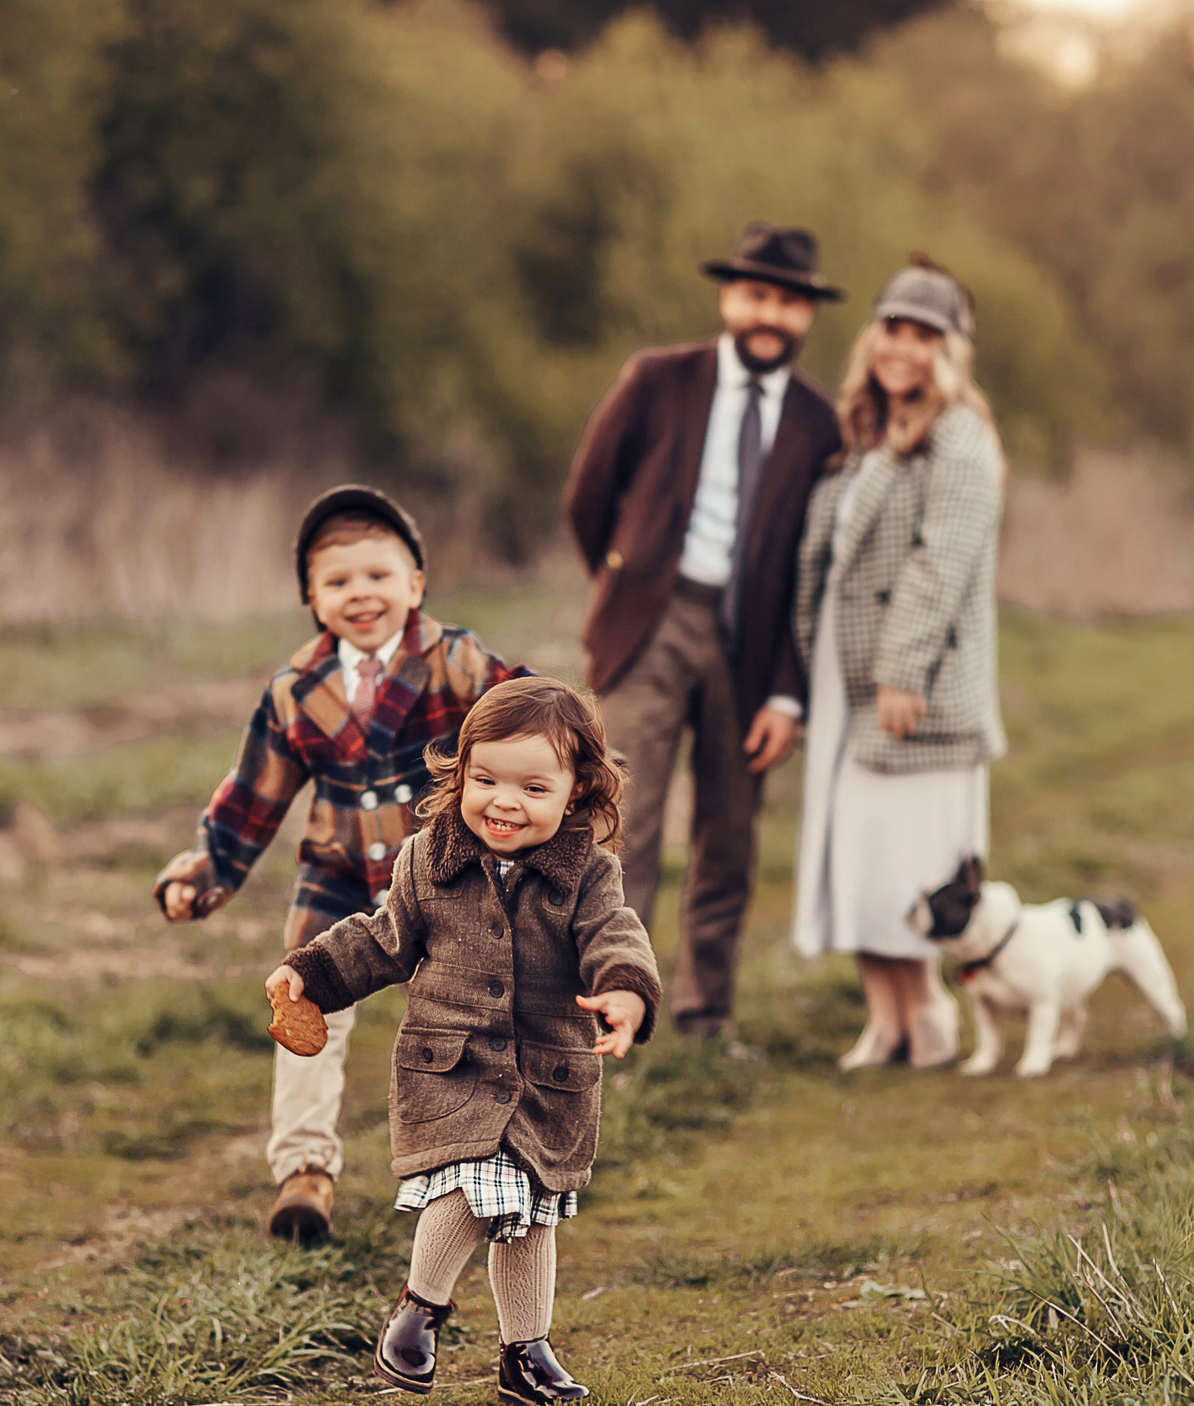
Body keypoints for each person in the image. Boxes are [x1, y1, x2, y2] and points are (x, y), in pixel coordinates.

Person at [266, 678, 660, 1406]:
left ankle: (524, 1352)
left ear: (575, 794)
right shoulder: (427, 859)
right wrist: (309, 973)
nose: (504, 802)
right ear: (460, 774)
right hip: (451, 1066)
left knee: (530, 1214)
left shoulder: (589, 875)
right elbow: (381, 943)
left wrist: (625, 989)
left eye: (533, 787)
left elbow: (614, 935)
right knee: (474, 1187)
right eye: (485, 780)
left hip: (547, 1074)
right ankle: (420, 1308)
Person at [154, 485, 525, 1244]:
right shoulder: (296, 693)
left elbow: (523, 720)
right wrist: (207, 872)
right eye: (338, 582)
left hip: (443, 879)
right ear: (313, 600)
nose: (362, 594)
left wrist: (572, 767)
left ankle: (485, 1165)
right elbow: (254, 797)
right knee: (304, 1004)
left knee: (471, 1019)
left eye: (379, 576)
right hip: (336, 875)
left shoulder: (453, 662)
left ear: (415, 584)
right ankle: (305, 1172)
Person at [561, 221, 845, 1043]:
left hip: (753, 650)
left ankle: (704, 1012)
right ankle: (613, 1008)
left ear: (807, 317)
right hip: (651, 623)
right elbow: (588, 496)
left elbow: (810, 573)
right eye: (757, 295)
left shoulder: (820, 426)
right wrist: (624, 582)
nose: (770, 314)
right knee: (622, 824)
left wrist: (789, 691)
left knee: (730, 832)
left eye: (789, 303)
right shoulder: (657, 381)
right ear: (729, 297)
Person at [790, 258, 1008, 1069]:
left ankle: (929, 1010)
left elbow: (939, 563)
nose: (903, 348)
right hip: (843, 683)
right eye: (893, 328)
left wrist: (902, 670)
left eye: (924, 335)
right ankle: (884, 1017)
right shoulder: (864, 434)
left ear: (948, 350)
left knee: (907, 857)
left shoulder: (959, 438)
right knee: (858, 854)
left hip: (906, 687)